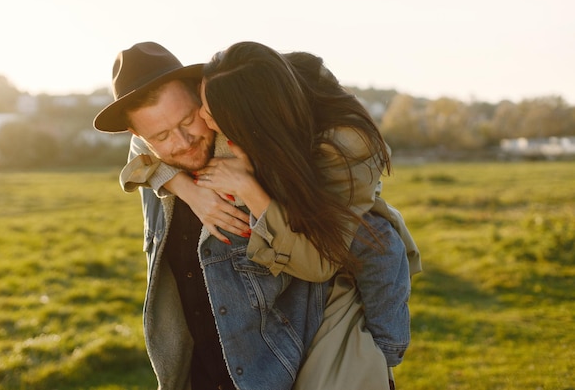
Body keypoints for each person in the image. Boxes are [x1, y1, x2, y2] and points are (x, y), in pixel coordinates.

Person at [116, 42, 421, 389]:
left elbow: (372, 245)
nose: (185, 139)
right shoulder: (166, 150)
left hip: (280, 367)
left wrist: (249, 189)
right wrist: (184, 187)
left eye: (191, 119)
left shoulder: (305, 149)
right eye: (162, 136)